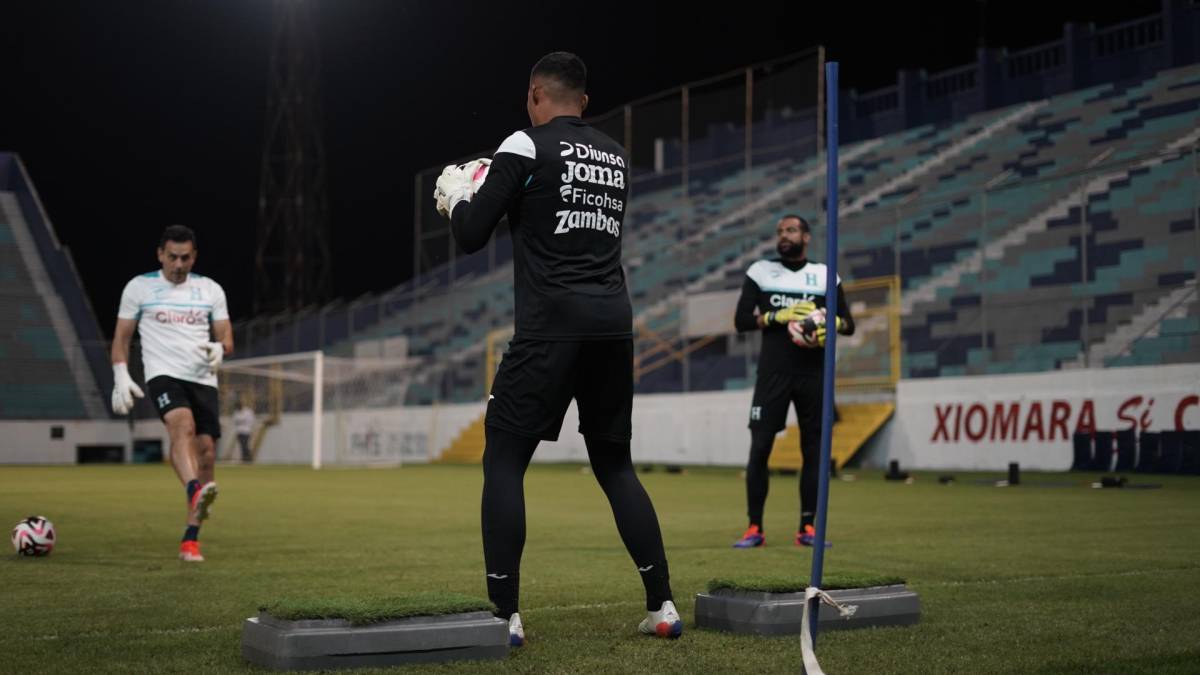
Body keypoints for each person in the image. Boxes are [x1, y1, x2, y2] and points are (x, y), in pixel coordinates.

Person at [435, 51, 680, 645]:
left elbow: (471, 236)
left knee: (504, 459)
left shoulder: (523, 143)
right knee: (615, 465)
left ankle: (505, 615)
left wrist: (457, 198)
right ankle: (663, 606)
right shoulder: (615, 156)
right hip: (612, 324)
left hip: (550, 325)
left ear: (533, 95)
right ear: (585, 102)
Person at [731, 215, 854, 549]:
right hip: (773, 375)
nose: (784, 236)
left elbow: (849, 323)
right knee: (760, 450)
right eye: (780, 232)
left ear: (806, 236)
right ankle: (754, 527)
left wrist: (831, 323)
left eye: (791, 230)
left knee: (813, 452)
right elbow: (741, 320)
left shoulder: (826, 275)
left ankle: (807, 528)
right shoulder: (760, 272)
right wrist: (775, 316)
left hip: (814, 375)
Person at [110, 224, 232, 562]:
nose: (179, 265)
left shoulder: (210, 290)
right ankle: (194, 490)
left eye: (186, 258)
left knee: (206, 453)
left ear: (195, 256)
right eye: (173, 257)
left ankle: (190, 538)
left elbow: (226, 335)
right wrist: (120, 374)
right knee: (182, 427)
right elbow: (121, 336)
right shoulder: (140, 287)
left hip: (203, 378)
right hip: (164, 374)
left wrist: (220, 349)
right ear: (160, 254)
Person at [232, 398, 255, 463]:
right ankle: (244, 458)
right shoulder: (236, 412)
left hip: (246, 431)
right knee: (242, 445)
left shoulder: (248, 411)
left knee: (245, 444)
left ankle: (248, 458)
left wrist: (250, 428)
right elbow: (234, 421)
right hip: (239, 431)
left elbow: (251, 420)